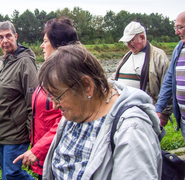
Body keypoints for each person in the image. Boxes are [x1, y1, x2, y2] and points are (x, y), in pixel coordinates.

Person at [39, 44, 162, 180]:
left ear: (86, 86)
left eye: (58, 96)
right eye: (50, 96)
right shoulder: (79, 108)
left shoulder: (132, 129)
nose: (54, 105)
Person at [13, 18, 80, 179]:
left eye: (45, 41)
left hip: (58, 155)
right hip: (46, 154)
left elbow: (65, 121)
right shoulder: (49, 73)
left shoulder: (65, 77)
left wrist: (37, 150)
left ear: (58, 45)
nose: (42, 46)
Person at [0, 20, 38, 180]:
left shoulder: (25, 63)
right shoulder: (2, 62)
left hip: (15, 133)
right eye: (0, 37)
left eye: (8, 36)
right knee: (6, 173)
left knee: (11, 174)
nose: (5, 40)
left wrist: (32, 136)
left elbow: (33, 100)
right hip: (1, 131)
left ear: (15, 36)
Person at [110, 21, 172, 126]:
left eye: (131, 41)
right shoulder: (127, 56)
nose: (128, 45)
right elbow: (114, 78)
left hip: (145, 112)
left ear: (142, 37)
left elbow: (168, 86)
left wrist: (164, 114)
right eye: (126, 42)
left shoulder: (158, 56)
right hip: (123, 112)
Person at [156, 11, 185, 142]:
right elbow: (169, 80)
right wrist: (159, 108)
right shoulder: (179, 49)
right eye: (176, 28)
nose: (176, 32)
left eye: (180, 27)